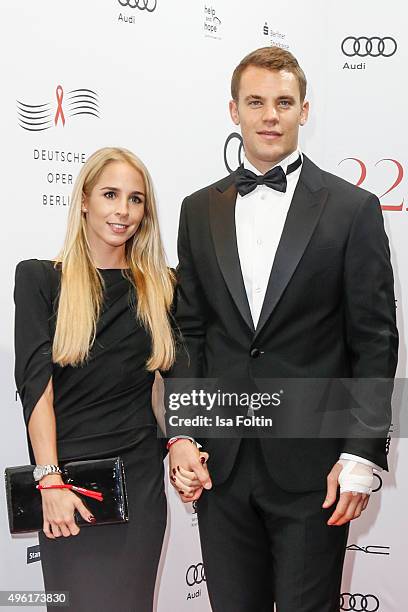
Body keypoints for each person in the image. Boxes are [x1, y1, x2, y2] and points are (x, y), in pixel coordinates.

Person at [167, 47, 398, 611]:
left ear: (304, 110)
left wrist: (361, 455)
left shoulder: (352, 209)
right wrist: (181, 434)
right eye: (256, 102)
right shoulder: (198, 211)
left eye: (284, 102)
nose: (270, 114)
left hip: (314, 469)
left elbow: (374, 339)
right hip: (220, 467)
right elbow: (189, 333)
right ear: (234, 111)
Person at [14, 147, 175, 611]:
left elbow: (182, 378)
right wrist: (50, 481)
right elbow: (34, 388)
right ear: (84, 200)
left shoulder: (162, 287)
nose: (123, 210)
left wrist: (184, 441)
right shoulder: (40, 279)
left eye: (136, 199)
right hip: (67, 482)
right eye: (110, 194)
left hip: (139, 484)